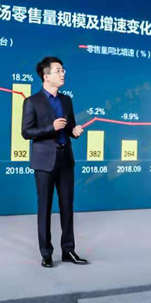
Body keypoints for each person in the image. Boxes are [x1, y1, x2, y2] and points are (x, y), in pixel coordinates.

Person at [21, 57, 89, 268]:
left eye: (63, 70)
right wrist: (51, 127)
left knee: (67, 206)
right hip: (44, 161)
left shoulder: (66, 100)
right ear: (46, 76)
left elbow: (69, 127)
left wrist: (74, 131)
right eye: (58, 70)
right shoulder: (32, 101)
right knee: (45, 207)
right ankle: (46, 253)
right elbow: (26, 132)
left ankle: (68, 251)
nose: (63, 74)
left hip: (65, 158)